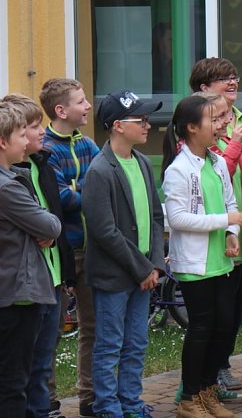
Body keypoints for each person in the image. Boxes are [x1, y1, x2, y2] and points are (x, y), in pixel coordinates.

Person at [82, 90, 166, 418]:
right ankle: (107, 406)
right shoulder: (100, 171)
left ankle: (131, 401)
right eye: (140, 120)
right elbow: (104, 232)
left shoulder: (143, 162)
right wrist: (142, 268)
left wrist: (155, 264)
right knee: (110, 346)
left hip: (143, 272)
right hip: (116, 275)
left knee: (137, 343)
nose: (148, 125)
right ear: (118, 125)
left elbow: (156, 218)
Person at [161, 95, 242, 418]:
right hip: (195, 266)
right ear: (192, 128)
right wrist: (225, 223)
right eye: (212, 120)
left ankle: (209, 392)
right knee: (201, 329)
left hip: (221, 263)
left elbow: (230, 204)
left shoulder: (218, 162)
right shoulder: (178, 170)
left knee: (224, 327)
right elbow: (178, 220)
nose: (220, 124)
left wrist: (231, 236)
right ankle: (189, 398)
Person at [189, 57, 242, 391]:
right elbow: (220, 171)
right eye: (223, 79)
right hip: (217, 227)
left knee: (238, 302)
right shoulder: (196, 125)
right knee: (219, 308)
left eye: (234, 76)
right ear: (203, 89)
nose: (232, 82)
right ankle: (207, 377)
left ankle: (221, 365)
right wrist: (231, 143)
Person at [2, 94, 75, 418]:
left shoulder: (37, 167)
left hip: (43, 281)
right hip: (18, 292)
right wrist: (43, 226)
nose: (36, 133)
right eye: (25, 131)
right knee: (15, 380)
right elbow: (48, 222)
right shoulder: (8, 185)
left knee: (35, 367)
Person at [39, 78, 100, 417]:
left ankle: (89, 397)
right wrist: (86, 193)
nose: (88, 105)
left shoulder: (86, 143)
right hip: (62, 251)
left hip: (91, 250)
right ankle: (47, 401)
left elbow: (103, 179)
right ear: (61, 110)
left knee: (92, 327)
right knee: (52, 330)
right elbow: (60, 198)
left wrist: (83, 191)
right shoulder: (47, 148)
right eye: (81, 101)